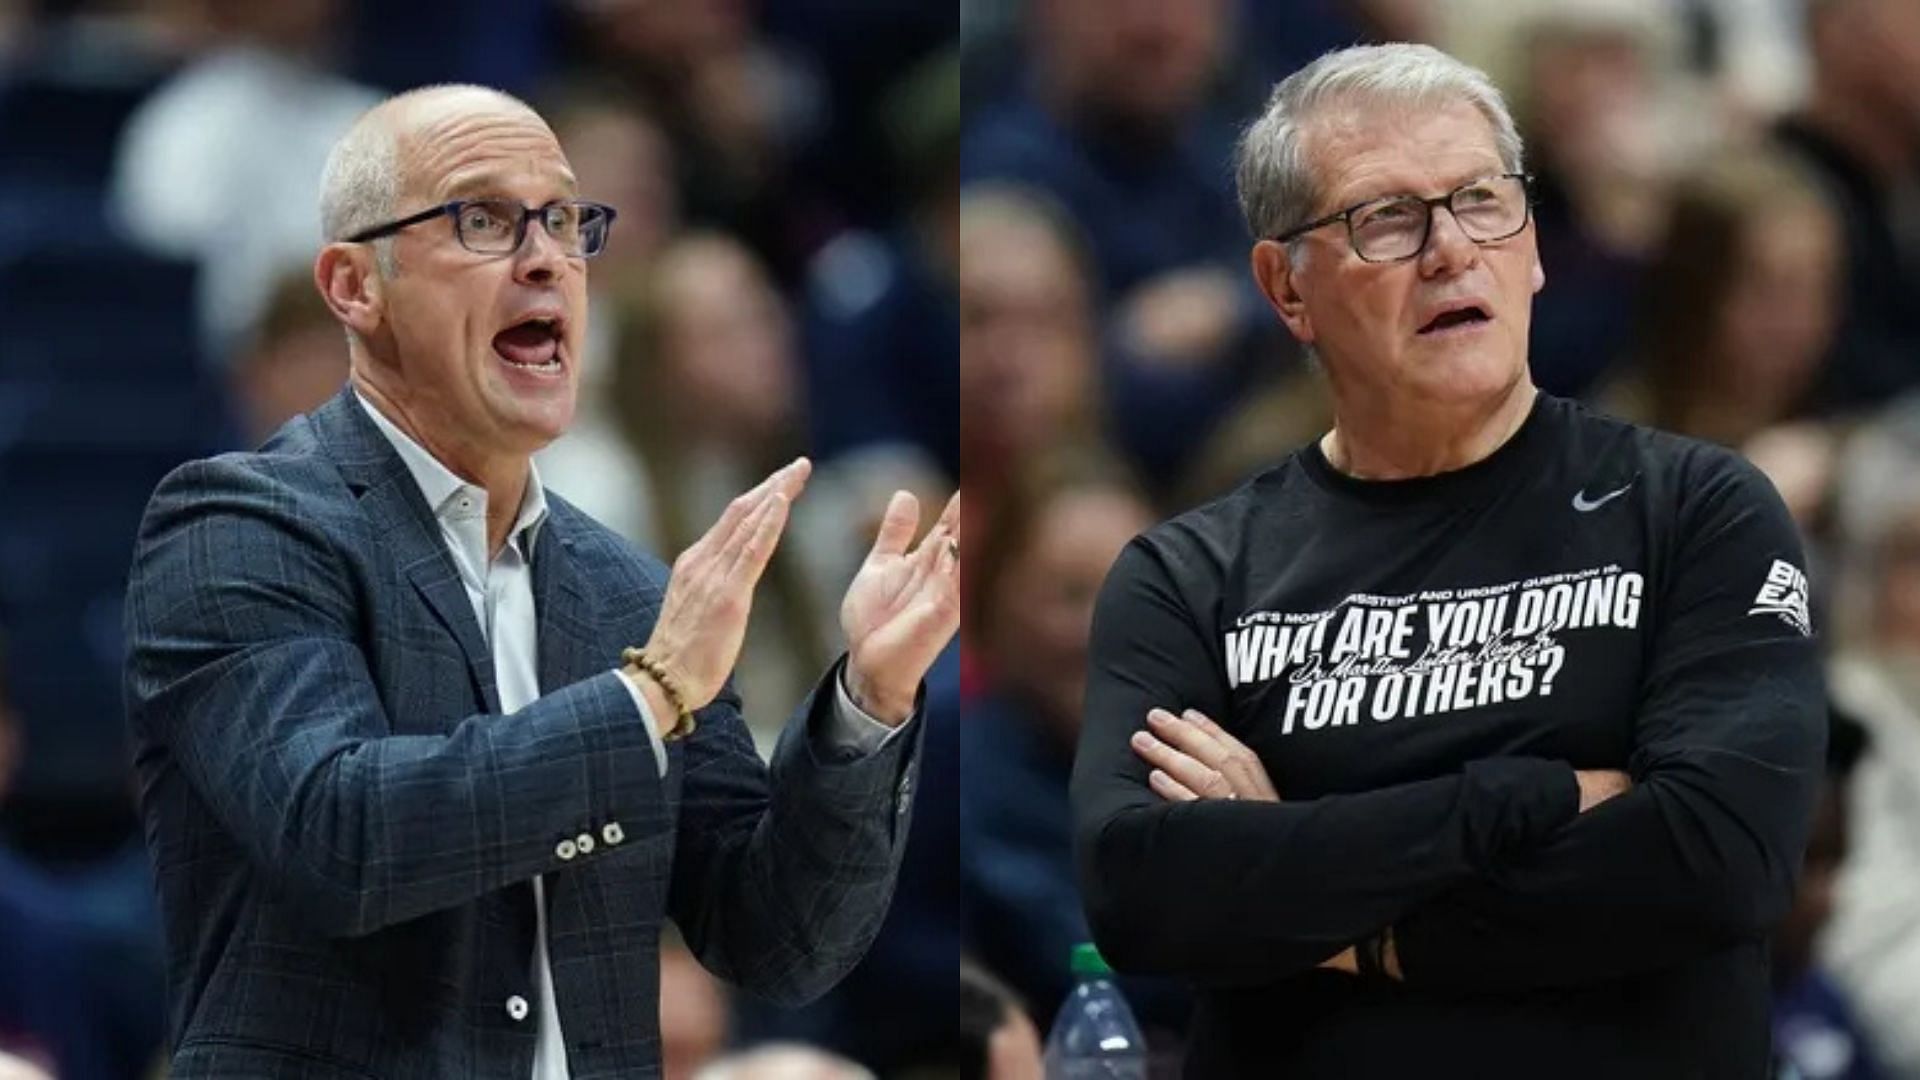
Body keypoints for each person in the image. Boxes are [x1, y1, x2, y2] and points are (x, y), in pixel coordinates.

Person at [123, 84, 960, 1078]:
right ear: (353, 285)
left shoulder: (625, 593)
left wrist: (869, 699)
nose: (545, 257)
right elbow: (343, 838)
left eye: (564, 220)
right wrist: (647, 697)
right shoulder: (240, 526)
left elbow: (776, 941)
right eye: (483, 220)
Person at [1071, 43, 1825, 1077]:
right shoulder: (1191, 575)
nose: (1451, 250)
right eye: (1385, 217)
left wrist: (1331, 910)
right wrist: (1527, 798)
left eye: (1481, 200)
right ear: (1284, 287)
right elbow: (1144, 891)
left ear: (1534, 246)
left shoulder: (1697, 510)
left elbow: (1715, 860)